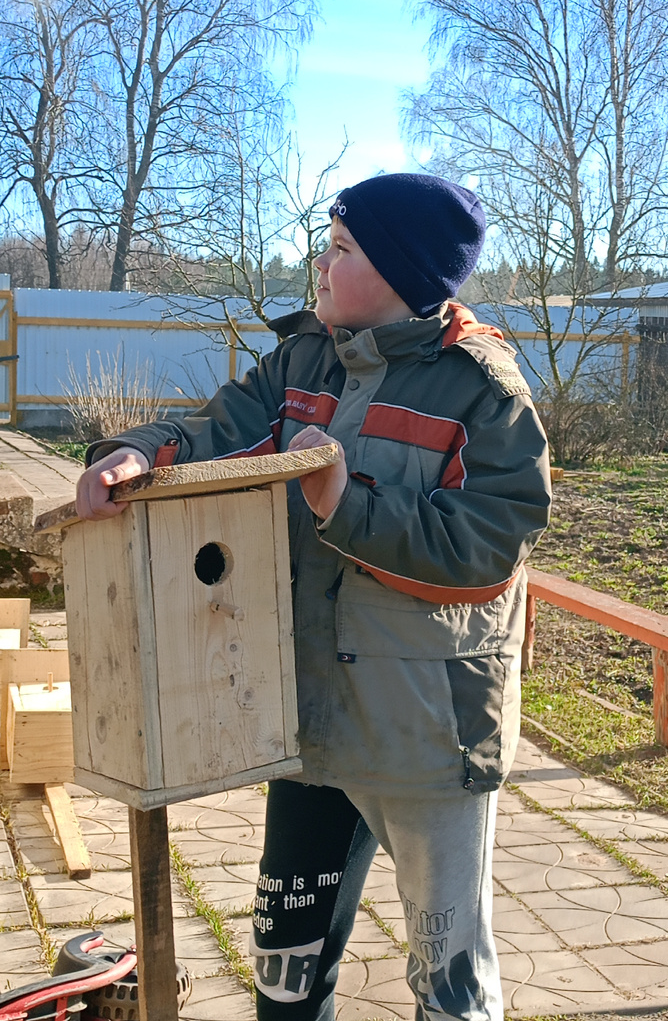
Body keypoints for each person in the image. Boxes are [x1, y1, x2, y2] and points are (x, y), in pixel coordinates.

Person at [76, 172, 552, 1021]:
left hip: (426, 733)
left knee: (449, 977)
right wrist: (141, 450)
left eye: (341, 249)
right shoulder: (303, 358)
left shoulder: (483, 391)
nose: (320, 266)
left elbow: (485, 549)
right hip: (308, 720)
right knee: (285, 965)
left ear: (402, 275)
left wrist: (345, 504)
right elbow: (216, 430)